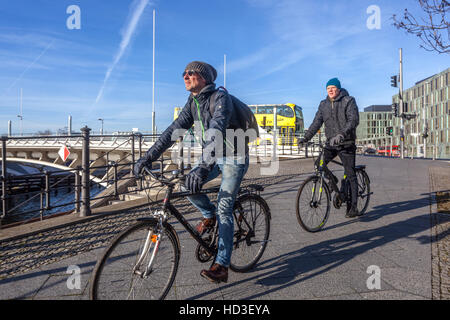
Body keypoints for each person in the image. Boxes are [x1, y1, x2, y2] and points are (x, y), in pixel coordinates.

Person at [133, 61, 250, 283]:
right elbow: (171, 133)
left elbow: (216, 129)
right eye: (184, 73)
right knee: (187, 185)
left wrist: (202, 167)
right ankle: (209, 215)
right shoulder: (193, 103)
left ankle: (222, 265)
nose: (186, 76)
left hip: (235, 156)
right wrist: (147, 157)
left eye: (191, 73)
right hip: (214, 157)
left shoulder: (220, 98)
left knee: (225, 207)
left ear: (204, 77)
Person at [299, 78, 361, 218]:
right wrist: (305, 138)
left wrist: (342, 134)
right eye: (328, 88)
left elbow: (353, 120)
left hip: (346, 143)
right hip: (331, 144)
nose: (331, 90)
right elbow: (316, 123)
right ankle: (333, 180)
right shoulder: (323, 104)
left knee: (350, 174)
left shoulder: (348, 101)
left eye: (333, 88)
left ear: (338, 89)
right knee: (318, 164)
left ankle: (354, 207)